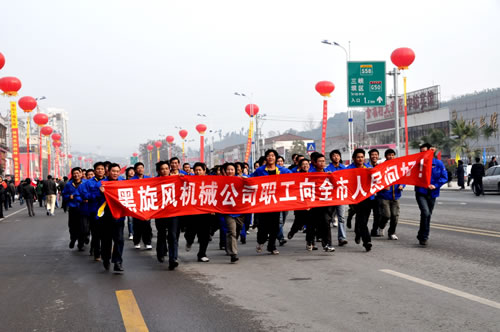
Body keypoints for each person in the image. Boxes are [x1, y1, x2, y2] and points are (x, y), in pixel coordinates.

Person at [251, 149, 291, 255]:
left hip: (276, 202)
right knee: (263, 226)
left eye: (273, 155)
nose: (271, 157)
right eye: (268, 155)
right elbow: (251, 179)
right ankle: (260, 241)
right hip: (263, 202)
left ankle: (271, 246)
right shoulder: (260, 170)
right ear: (266, 158)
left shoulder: (282, 170)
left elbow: (294, 176)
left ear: (276, 158)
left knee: (275, 225)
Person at [415, 143, 448, 246]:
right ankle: (424, 237)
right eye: (421, 152)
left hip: (432, 193)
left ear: (431, 151)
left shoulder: (438, 163)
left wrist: (435, 185)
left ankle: (422, 235)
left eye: (425, 151)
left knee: (428, 215)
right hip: (421, 192)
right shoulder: (417, 164)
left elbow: (444, 177)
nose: (423, 154)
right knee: (425, 213)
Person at [98, 163, 125, 273]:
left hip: (119, 216)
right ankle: (106, 258)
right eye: (113, 171)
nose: (115, 173)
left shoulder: (123, 183)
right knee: (106, 240)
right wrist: (101, 193)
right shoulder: (101, 184)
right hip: (106, 217)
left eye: (117, 171)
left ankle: (117, 262)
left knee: (119, 239)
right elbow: (95, 198)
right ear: (108, 172)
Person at [154, 160, 181, 270]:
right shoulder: (154, 181)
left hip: (173, 212)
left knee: (173, 235)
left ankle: (173, 259)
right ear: (158, 171)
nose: (165, 171)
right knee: (161, 234)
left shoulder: (176, 178)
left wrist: (184, 178)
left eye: (166, 168)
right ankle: (160, 253)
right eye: (162, 169)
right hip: (160, 213)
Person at [184, 162, 212, 263]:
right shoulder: (190, 180)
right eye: (196, 170)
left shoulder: (210, 181)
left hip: (205, 212)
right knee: (190, 232)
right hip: (192, 212)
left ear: (204, 171)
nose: (198, 172)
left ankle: (202, 254)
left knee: (204, 235)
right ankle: (189, 241)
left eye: (200, 170)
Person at [79, 162, 107, 261]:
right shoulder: (88, 183)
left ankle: (105, 252)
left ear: (105, 170)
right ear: (94, 170)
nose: (100, 170)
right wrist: (98, 193)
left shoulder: (109, 182)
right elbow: (85, 196)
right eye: (98, 169)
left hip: (107, 212)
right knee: (96, 234)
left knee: (106, 234)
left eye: (102, 169)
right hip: (94, 211)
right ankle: (97, 253)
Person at [347, 149, 373, 252]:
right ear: (354, 158)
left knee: (363, 220)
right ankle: (367, 242)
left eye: (362, 157)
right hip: (355, 199)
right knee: (362, 220)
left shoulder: (368, 168)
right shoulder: (348, 169)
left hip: (367, 198)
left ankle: (358, 233)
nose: (360, 159)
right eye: (358, 157)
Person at [308, 153, 335, 252]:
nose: (322, 163)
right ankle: (310, 240)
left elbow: (336, 186)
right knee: (313, 223)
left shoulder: (328, 173)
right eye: (320, 161)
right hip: (314, 203)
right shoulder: (310, 174)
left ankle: (327, 244)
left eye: (323, 161)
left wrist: (331, 177)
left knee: (326, 221)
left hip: (326, 202)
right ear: (314, 163)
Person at [377, 149, 404, 240]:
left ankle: (392, 233)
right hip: (384, 196)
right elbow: (376, 180)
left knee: (395, 216)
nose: (391, 157)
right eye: (389, 155)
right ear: (386, 156)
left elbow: (403, 178)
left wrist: (402, 185)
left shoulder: (399, 167)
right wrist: (382, 187)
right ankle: (381, 226)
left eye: (393, 155)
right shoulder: (381, 167)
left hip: (395, 195)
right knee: (386, 215)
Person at [223, 162, 245, 263]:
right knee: (232, 231)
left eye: (232, 169)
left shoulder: (241, 179)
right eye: (228, 169)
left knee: (236, 231)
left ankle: (230, 246)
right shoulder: (221, 181)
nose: (230, 171)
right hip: (228, 211)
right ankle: (233, 253)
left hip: (240, 211)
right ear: (225, 171)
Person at [326, 149, 348, 246]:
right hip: (330, 197)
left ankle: (342, 238)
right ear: (331, 158)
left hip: (341, 196)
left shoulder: (344, 168)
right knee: (327, 219)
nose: (336, 157)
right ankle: (325, 238)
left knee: (341, 218)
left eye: (338, 155)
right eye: (334, 155)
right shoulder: (327, 169)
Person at [130, 162, 153, 250]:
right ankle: (137, 241)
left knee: (147, 224)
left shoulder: (148, 179)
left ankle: (147, 242)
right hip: (136, 205)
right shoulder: (132, 180)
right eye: (138, 168)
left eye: (142, 168)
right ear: (135, 170)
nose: (140, 169)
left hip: (146, 204)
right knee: (137, 224)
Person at [367, 148, 382, 237]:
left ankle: (374, 230)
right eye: (372, 155)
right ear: (369, 156)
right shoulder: (365, 167)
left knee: (378, 214)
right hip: (368, 195)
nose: (374, 156)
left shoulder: (380, 167)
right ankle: (360, 230)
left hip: (378, 195)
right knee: (365, 214)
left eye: (376, 155)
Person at [125, 167, 135, 240]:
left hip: (136, 201)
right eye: (130, 171)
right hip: (128, 201)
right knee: (130, 219)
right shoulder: (124, 181)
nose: (132, 172)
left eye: (133, 171)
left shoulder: (137, 180)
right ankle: (131, 233)